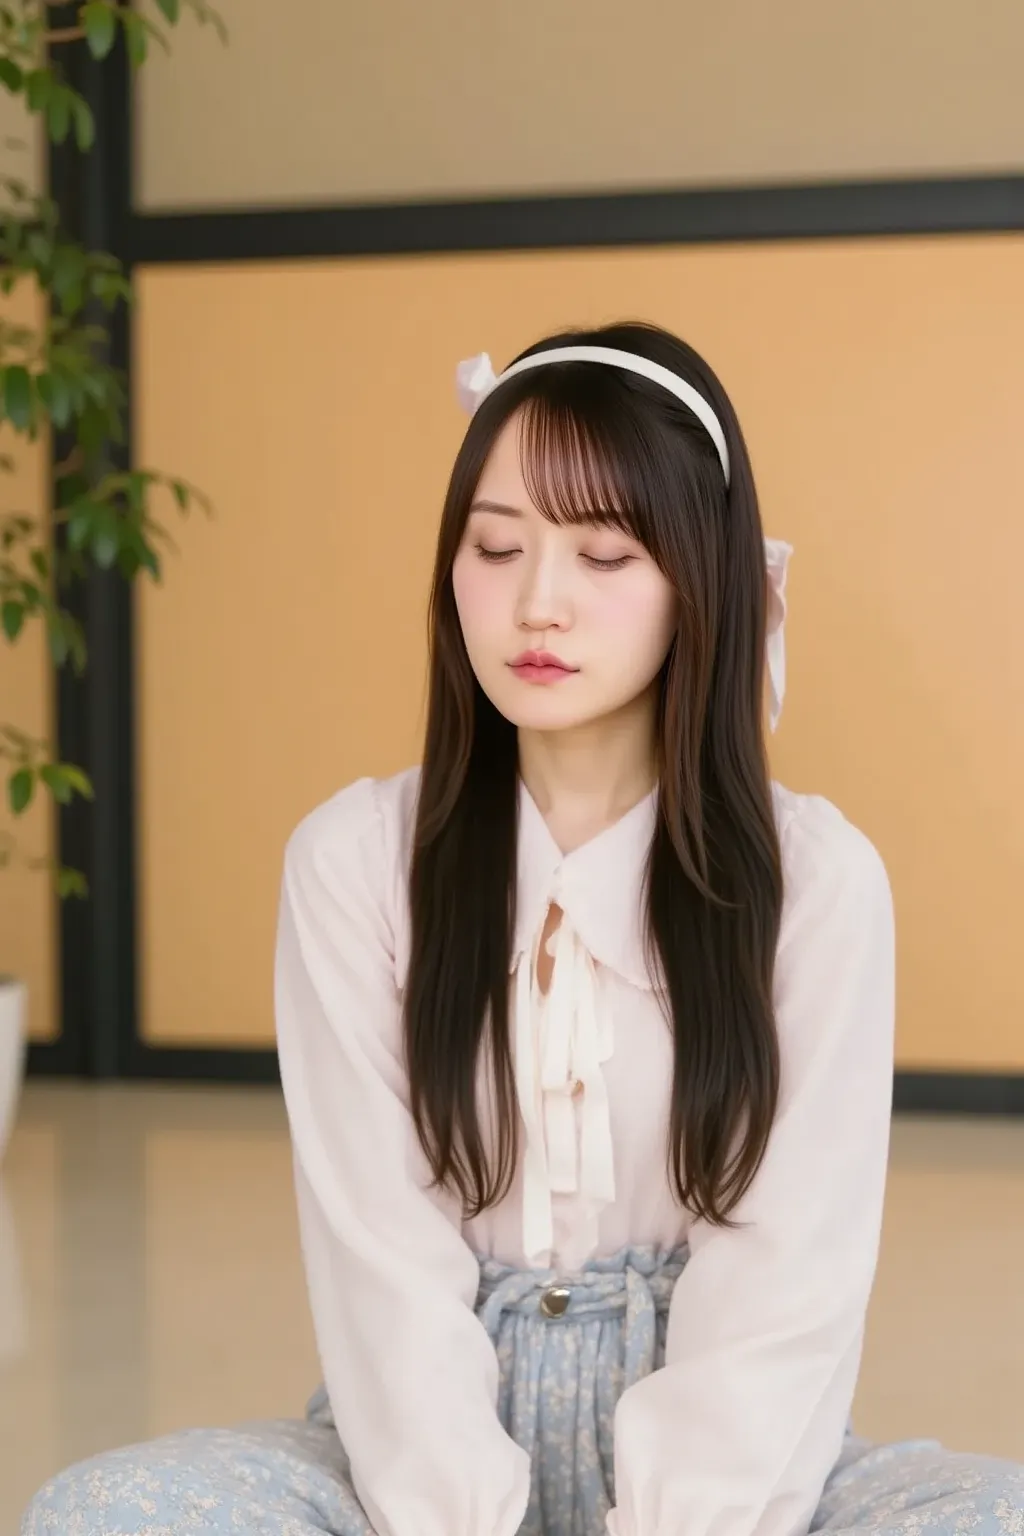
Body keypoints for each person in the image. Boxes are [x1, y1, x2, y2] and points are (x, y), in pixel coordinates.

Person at [22, 323, 1023, 1536]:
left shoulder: (817, 885)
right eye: (496, 547)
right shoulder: (354, 861)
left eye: (603, 553)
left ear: (699, 583)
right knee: (102, 1513)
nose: (536, 602)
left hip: (743, 1478)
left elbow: (785, 1288)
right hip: (407, 1464)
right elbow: (380, 1268)